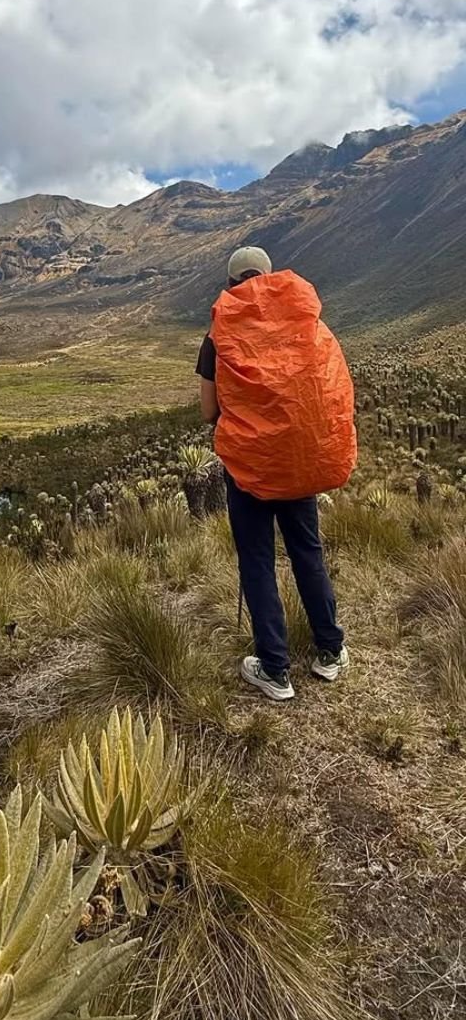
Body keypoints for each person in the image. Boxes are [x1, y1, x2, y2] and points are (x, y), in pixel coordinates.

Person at [197, 246, 356, 702]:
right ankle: (330, 650)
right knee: (307, 552)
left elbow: (209, 410)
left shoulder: (218, 334)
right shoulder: (308, 325)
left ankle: (274, 669)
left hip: (249, 467)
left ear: (232, 285)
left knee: (257, 560)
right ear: (271, 279)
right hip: (298, 461)